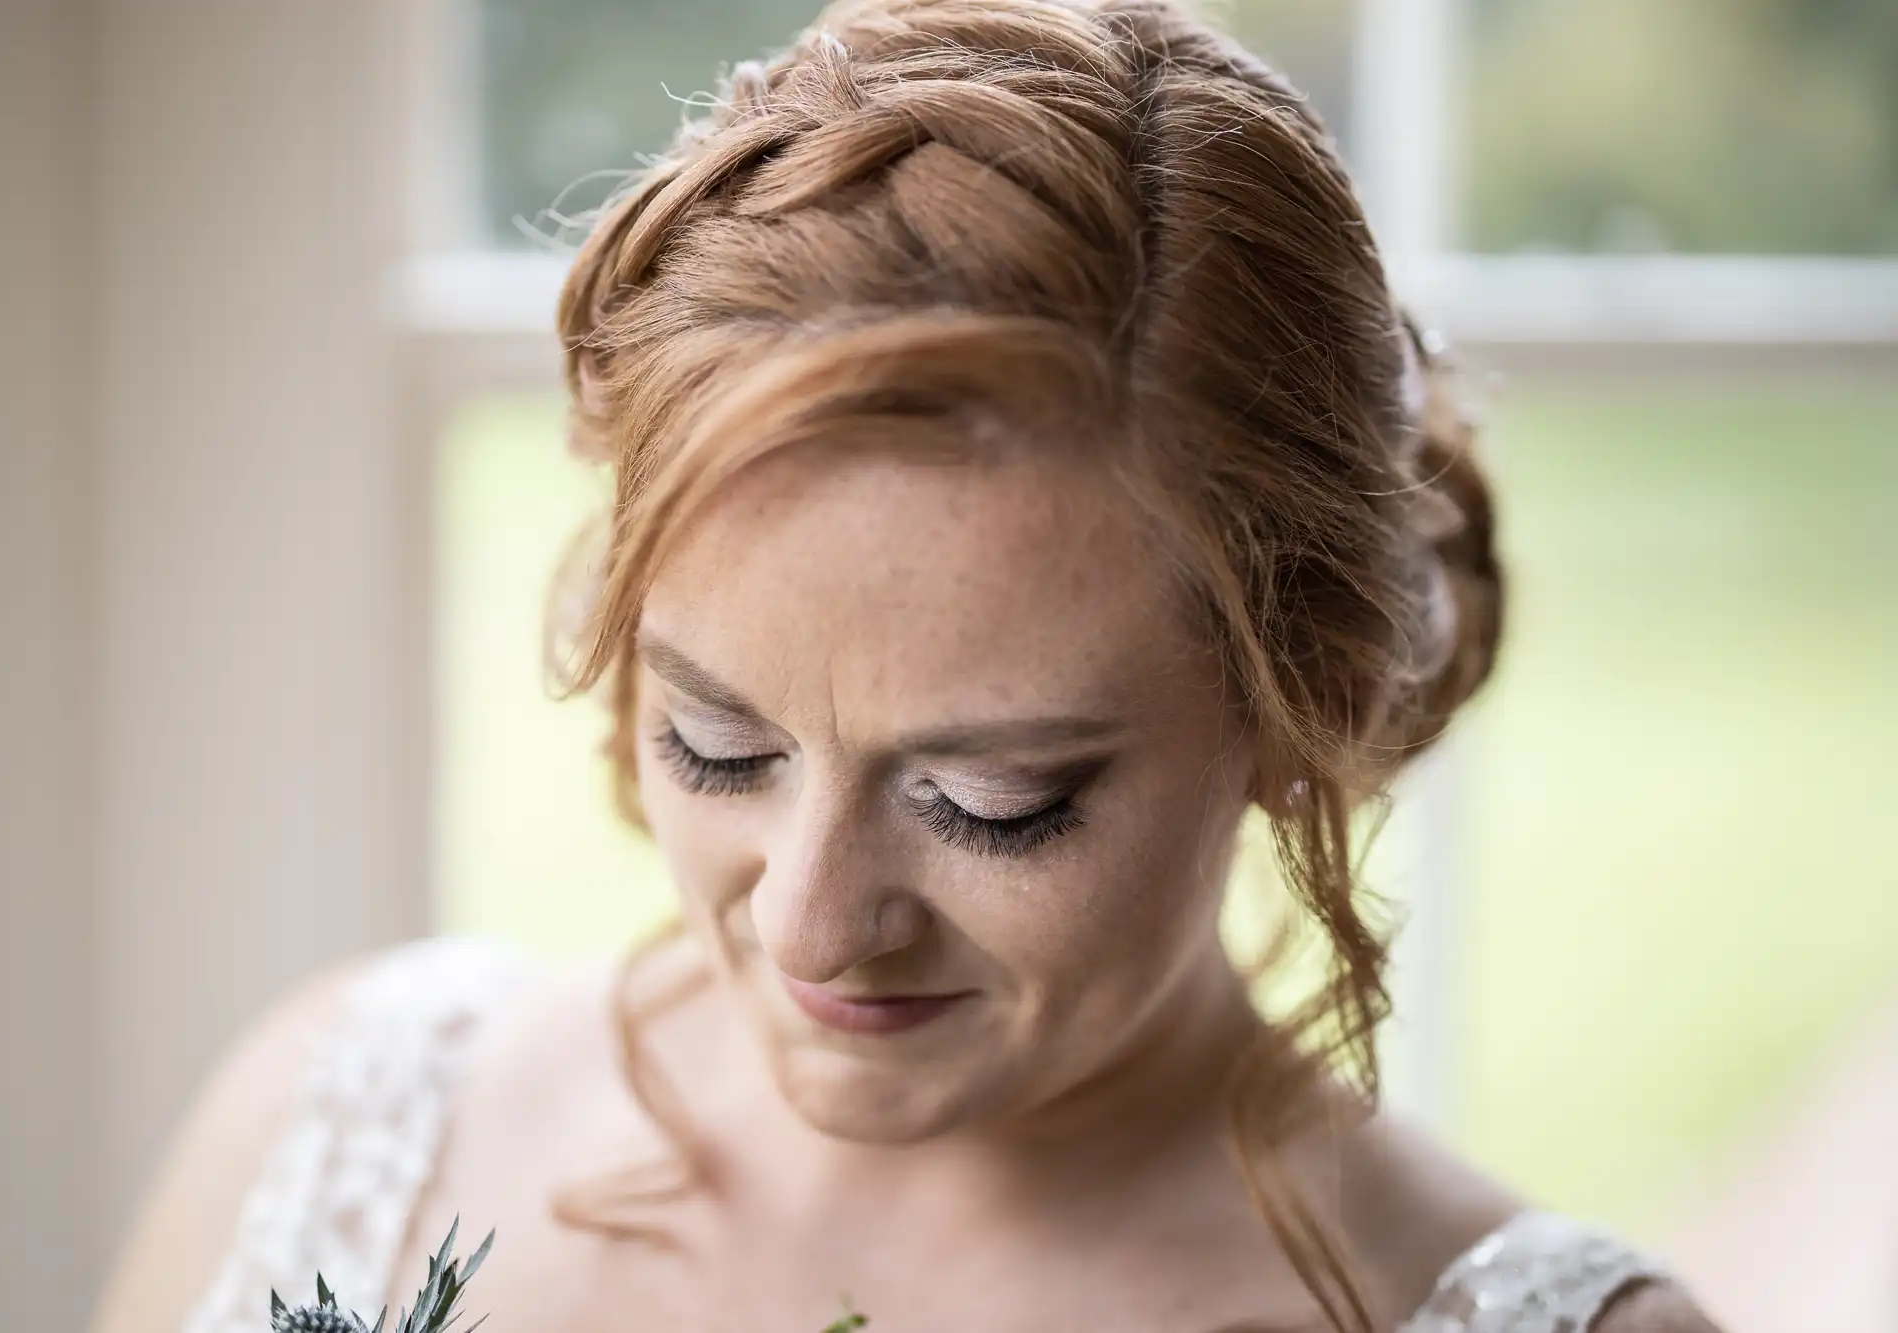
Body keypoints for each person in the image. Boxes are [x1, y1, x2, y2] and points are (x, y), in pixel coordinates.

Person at [92, 2, 1724, 1330]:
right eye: (719, 744)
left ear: (1301, 699)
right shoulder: (339, 1125)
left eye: (989, 800)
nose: (812, 922)